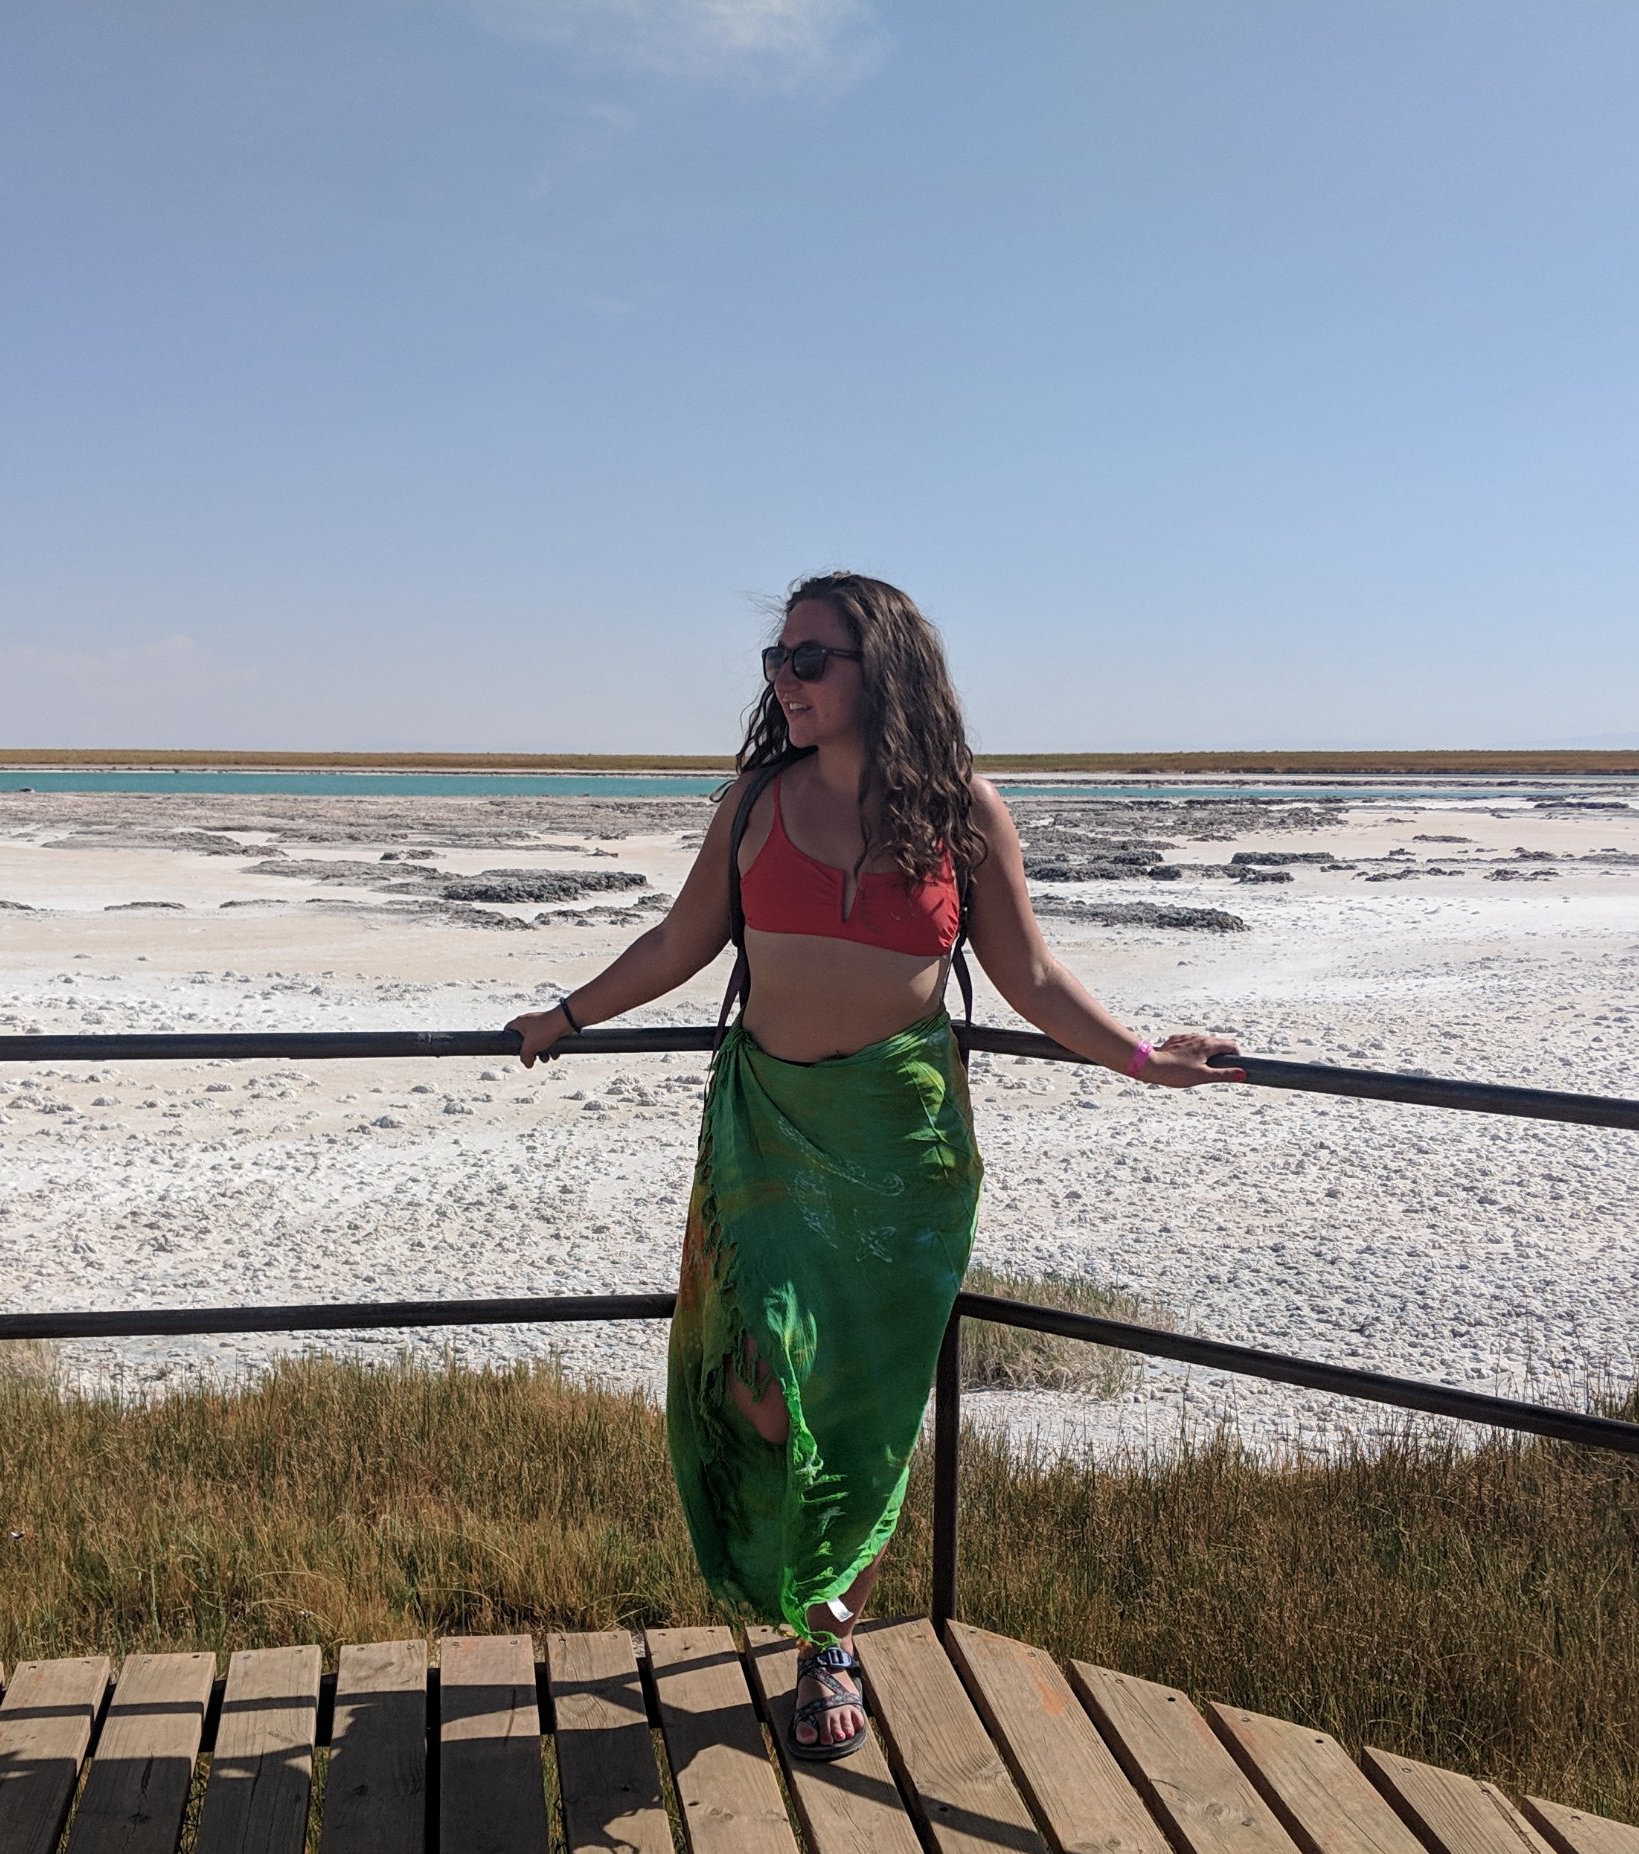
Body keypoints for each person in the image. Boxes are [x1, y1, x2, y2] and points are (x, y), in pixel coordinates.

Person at [509, 573, 1244, 1758]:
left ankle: (828, 1639)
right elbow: (680, 942)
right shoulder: (755, 805)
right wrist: (568, 1014)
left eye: (810, 660)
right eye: (777, 660)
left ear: (882, 669)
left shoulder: (961, 812)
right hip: (769, 1138)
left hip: (904, 1152)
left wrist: (1144, 1059)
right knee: (760, 1384)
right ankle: (783, 1576)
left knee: (866, 1410)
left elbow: (1032, 976)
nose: (784, 681)